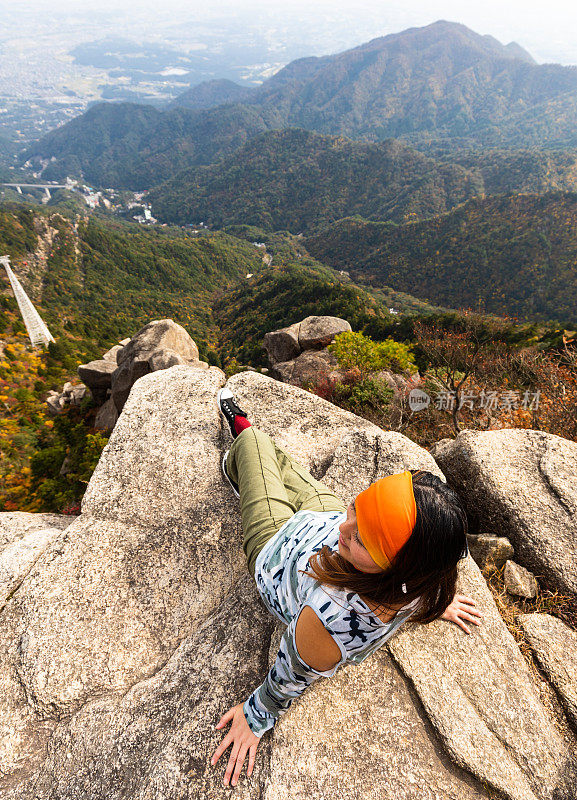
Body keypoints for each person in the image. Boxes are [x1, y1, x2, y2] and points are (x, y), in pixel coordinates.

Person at [210, 387, 482, 788]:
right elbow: (361, 538)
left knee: (253, 442)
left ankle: (240, 457)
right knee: (282, 459)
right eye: (358, 508)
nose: (345, 528)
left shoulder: (328, 619)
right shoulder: (418, 580)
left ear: (397, 573)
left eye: (361, 538)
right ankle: (271, 468)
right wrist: (432, 603)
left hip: (276, 548)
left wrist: (256, 715)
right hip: (316, 521)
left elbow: (292, 671)